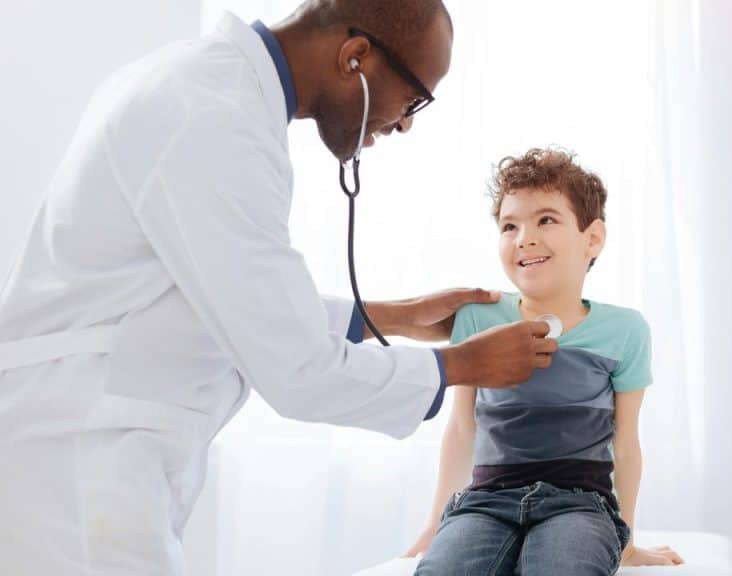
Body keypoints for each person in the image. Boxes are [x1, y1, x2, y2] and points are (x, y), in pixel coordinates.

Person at [0, 1, 556, 574]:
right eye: (414, 98)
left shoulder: (207, 90)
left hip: (95, 453)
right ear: (356, 58)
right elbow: (299, 371)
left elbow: (218, 296)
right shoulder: (211, 120)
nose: (406, 122)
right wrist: (461, 365)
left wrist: (396, 316)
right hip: (74, 462)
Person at [406, 147, 684, 574]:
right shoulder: (478, 318)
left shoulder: (625, 330)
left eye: (546, 220)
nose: (524, 238)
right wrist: (433, 525)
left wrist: (625, 539)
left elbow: (626, 443)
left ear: (592, 238)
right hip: (485, 501)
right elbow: (462, 427)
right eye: (509, 225)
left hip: (581, 503)